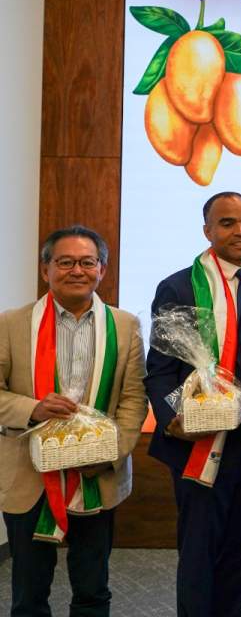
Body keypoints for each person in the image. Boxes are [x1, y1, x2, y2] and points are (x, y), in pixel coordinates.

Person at [144, 192, 241, 617]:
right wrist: (174, 420)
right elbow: (160, 370)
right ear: (207, 231)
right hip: (199, 438)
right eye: (227, 223)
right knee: (199, 552)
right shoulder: (178, 286)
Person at [0, 226, 148, 617]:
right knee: (29, 593)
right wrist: (33, 408)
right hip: (29, 474)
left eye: (87, 262)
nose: (77, 271)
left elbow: (134, 399)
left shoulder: (125, 325)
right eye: (65, 262)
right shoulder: (11, 323)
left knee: (93, 588)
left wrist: (109, 454)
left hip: (97, 474)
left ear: (102, 270)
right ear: (45, 269)